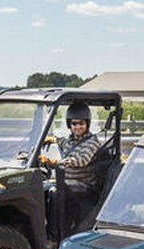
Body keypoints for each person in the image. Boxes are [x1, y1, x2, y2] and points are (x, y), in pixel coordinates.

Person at [40, 102, 102, 238]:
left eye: (81, 123)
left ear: (87, 124)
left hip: (84, 184)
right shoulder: (71, 141)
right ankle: (40, 231)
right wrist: (49, 139)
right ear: (69, 125)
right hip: (67, 181)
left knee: (54, 192)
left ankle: (54, 236)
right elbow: (62, 142)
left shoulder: (92, 142)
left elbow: (80, 160)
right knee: (41, 189)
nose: (78, 127)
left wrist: (54, 162)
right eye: (74, 124)